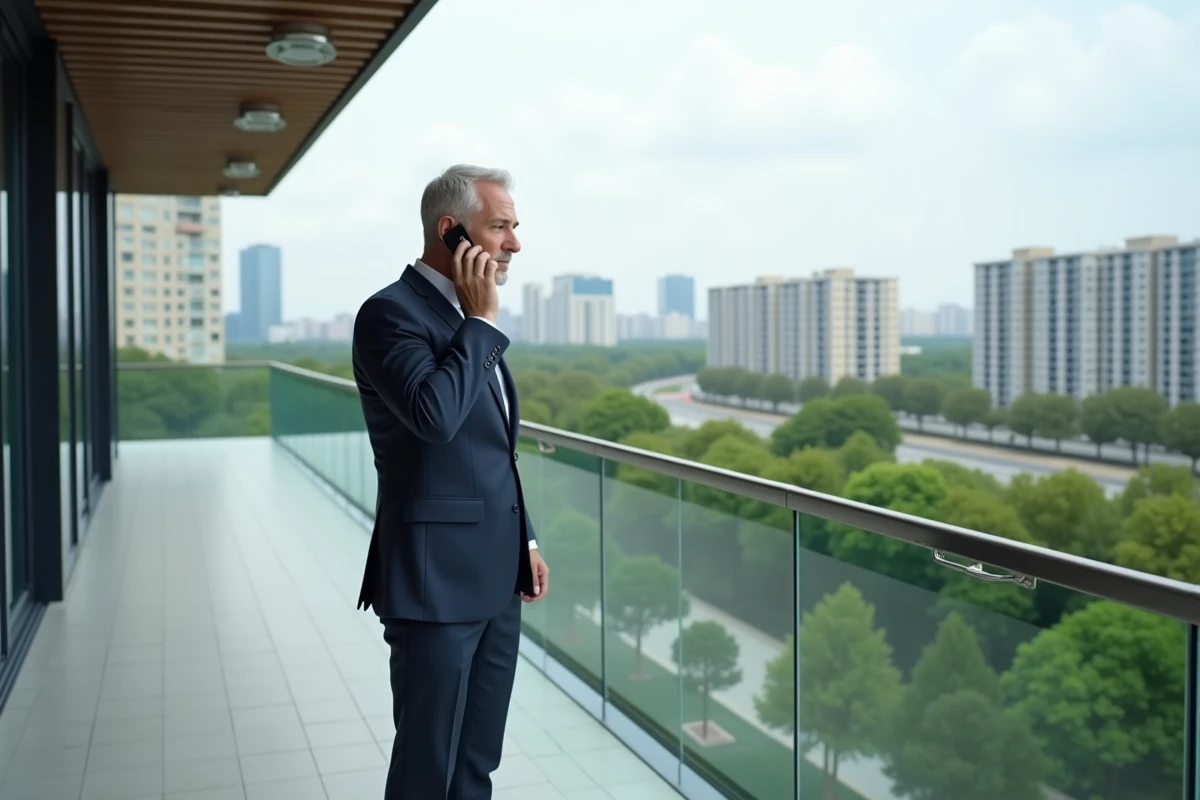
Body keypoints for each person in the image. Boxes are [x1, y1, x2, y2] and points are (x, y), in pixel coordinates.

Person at [351, 164, 550, 799]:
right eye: (500, 227)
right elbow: (435, 418)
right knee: (426, 769)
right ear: (451, 231)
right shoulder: (389, 315)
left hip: (497, 580)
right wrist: (482, 322)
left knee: (475, 764)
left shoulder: (471, 322)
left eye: (514, 227)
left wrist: (526, 541)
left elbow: (491, 451)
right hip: (434, 586)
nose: (515, 243)